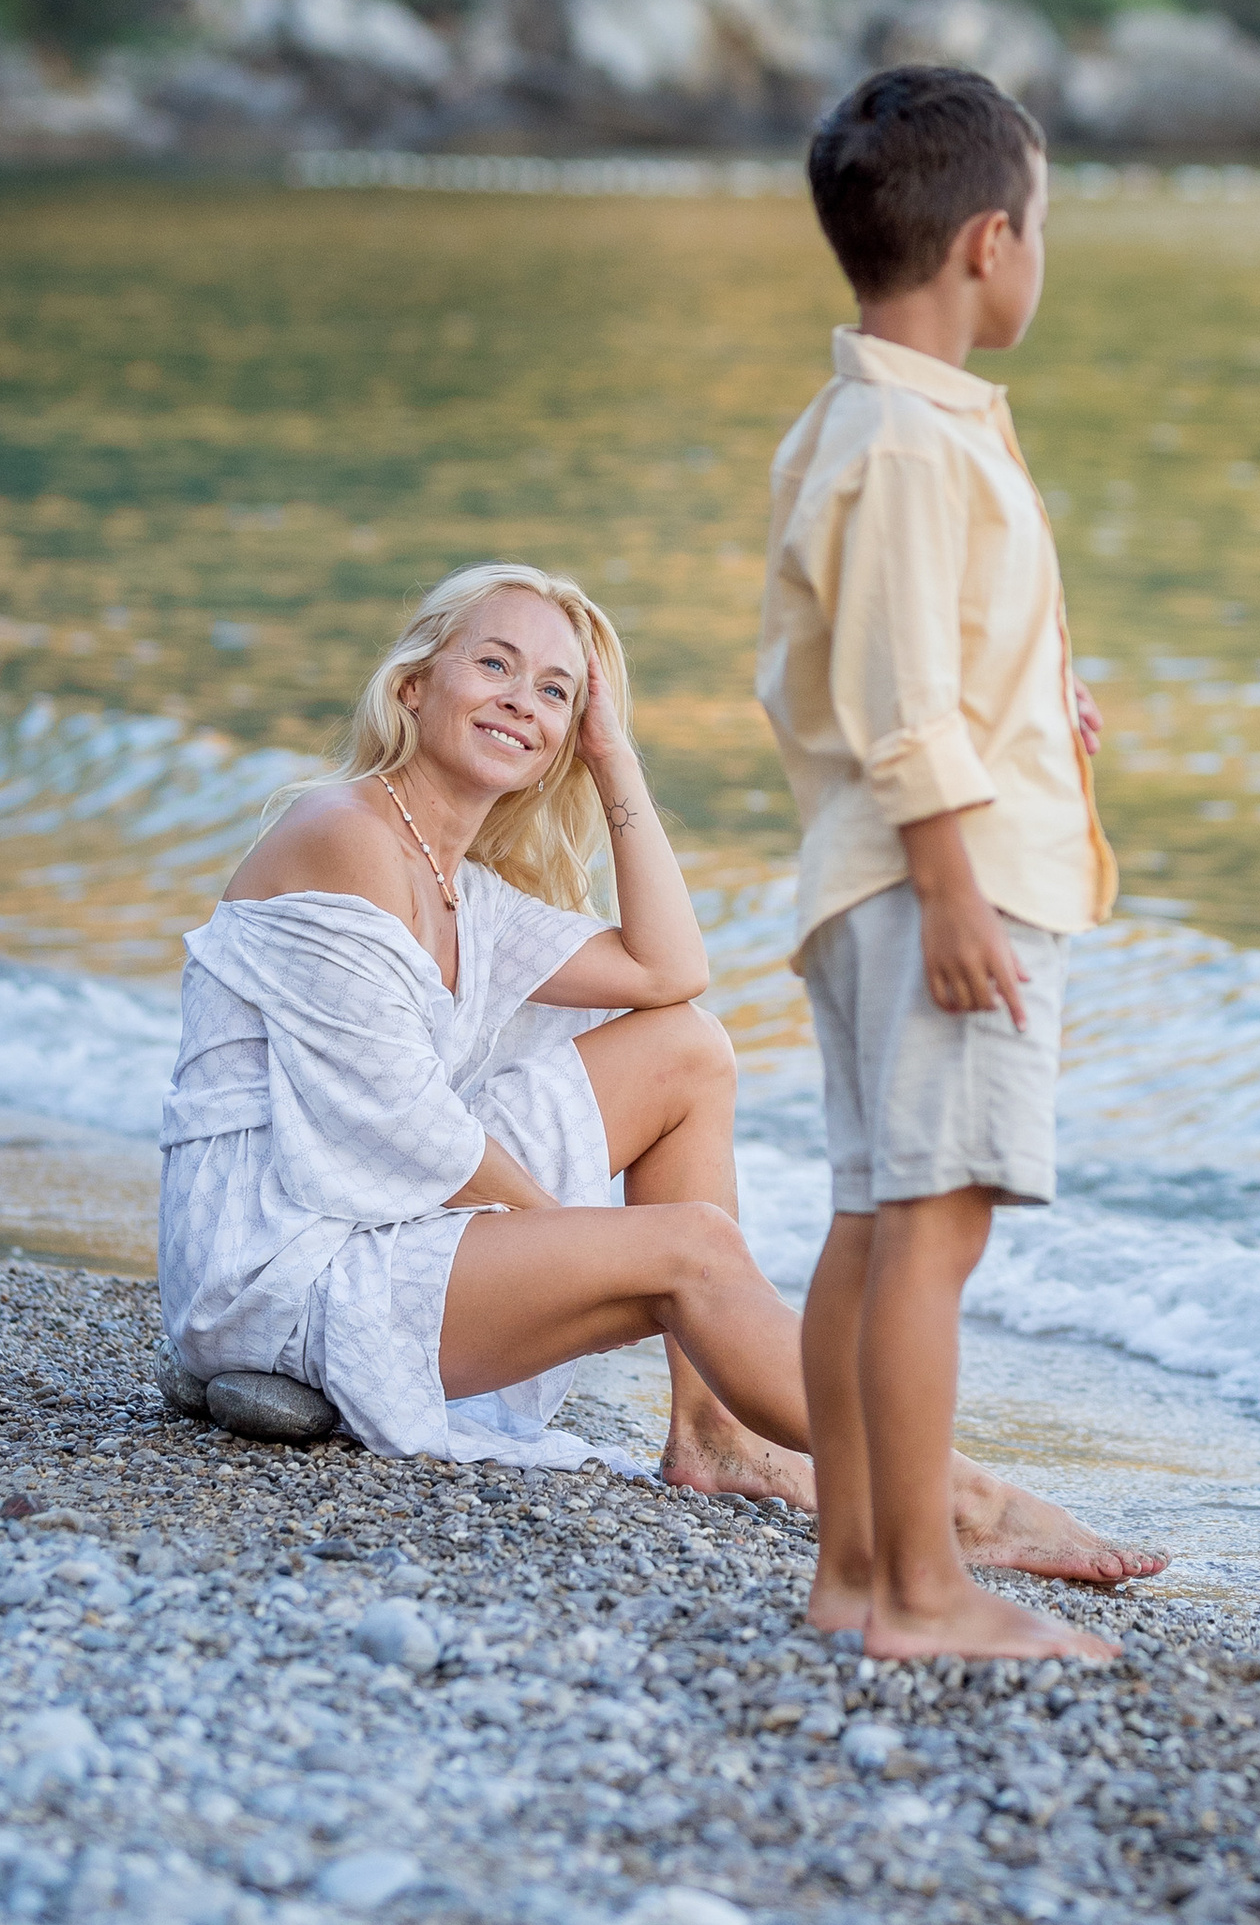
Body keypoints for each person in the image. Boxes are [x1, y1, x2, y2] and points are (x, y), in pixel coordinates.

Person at [159, 556, 1158, 1594]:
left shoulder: (462, 885)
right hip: (278, 1262)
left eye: (555, 690)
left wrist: (616, 760)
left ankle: (717, 1431)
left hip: (367, 1218)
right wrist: (599, 1248)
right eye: (493, 665)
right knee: (689, 1251)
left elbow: (670, 970)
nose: (521, 700)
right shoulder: (344, 835)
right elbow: (406, 1129)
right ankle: (958, 1500)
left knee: (688, 1049)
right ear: (414, 686)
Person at [758, 67, 1127, 1665]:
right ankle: (920, 1590)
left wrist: (1046, 705)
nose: (1042, 253)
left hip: (890, 872)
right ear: (990, 242)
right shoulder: (911, 440)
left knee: (875, 1218)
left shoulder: (872, 420)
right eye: (1041, 224)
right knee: (931, 1233)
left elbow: (908, 662)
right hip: (934, 887)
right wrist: (961, 887)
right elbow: (903, 700)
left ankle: (855, 1572)